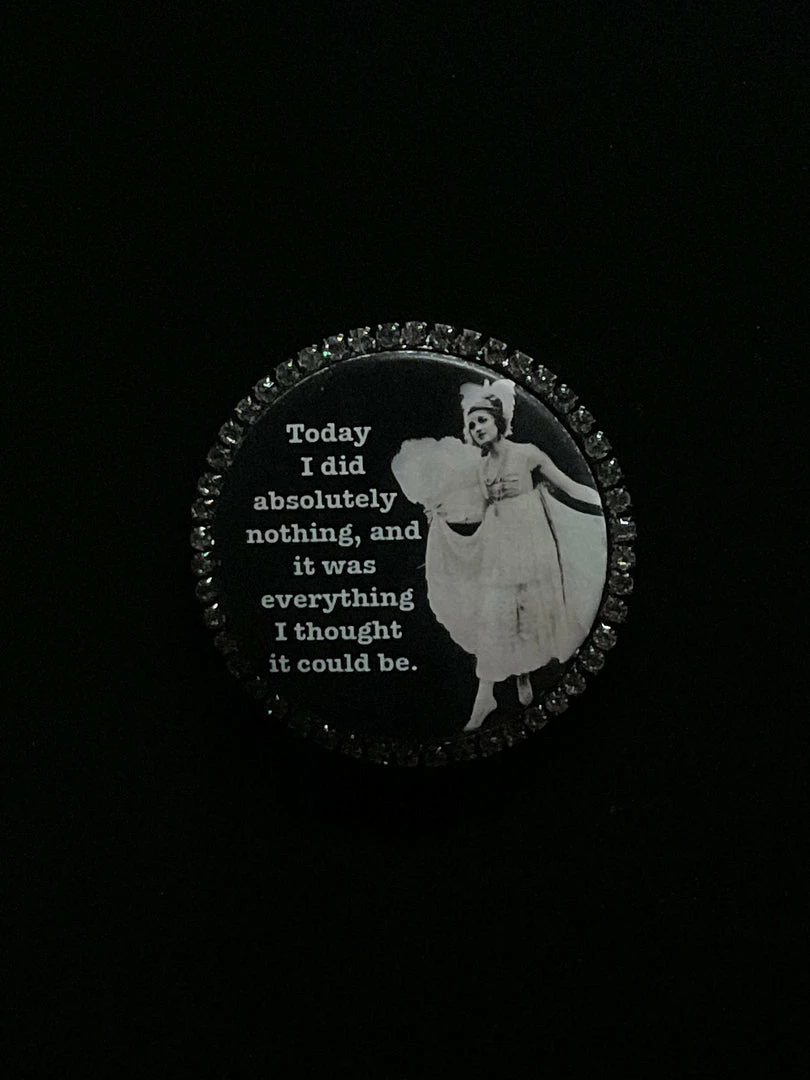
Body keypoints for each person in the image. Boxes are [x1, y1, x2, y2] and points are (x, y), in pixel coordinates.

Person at [391, 379, 606, 731]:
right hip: (498, 545)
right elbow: (473, 509)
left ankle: (522, 675)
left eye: (483, 421)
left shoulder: (528, 453)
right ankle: (485, 697)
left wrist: (604, 504)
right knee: (495, 614)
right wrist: (442, 513)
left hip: (532, 541)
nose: (477, 428)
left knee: (528, 608)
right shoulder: (479, 469)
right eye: (472, 424)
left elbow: (570, 486)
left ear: (498, 422)